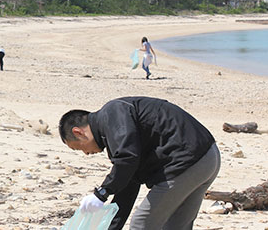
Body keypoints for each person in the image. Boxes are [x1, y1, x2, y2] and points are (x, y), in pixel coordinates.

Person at [59, 97, 220, 230]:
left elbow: (127, 159)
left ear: (78, 132)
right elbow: (127, 185)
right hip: (208, 158)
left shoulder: (112, 113)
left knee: (141, 224)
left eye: (78, 148)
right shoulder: (114, 129)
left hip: (187, 160)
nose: (86, 153)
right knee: (175, 225)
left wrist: (102, 193)